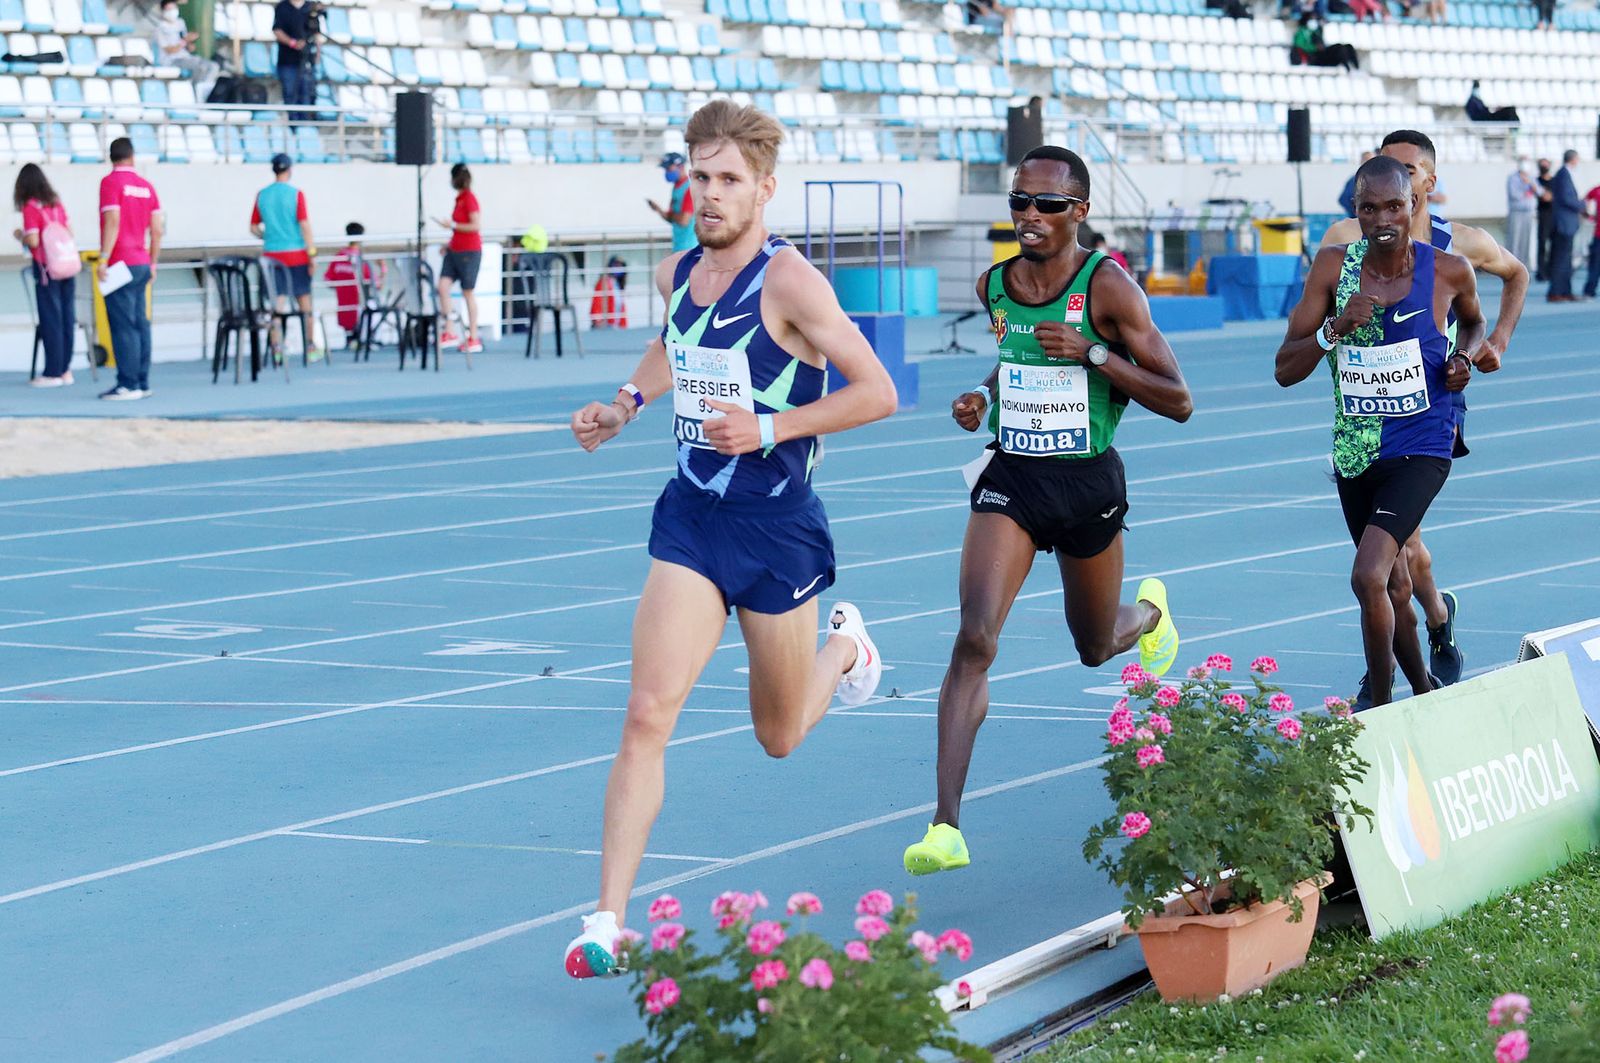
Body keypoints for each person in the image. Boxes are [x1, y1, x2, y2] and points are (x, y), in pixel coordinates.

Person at [561, 100, 898, 979]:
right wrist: (624, 407)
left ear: (764, 189)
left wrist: (771, 427)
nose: (709, 195)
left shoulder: (791, 283)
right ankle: (606, 921)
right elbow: (672, 347)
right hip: (693, 518)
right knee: (645, 713)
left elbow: (877, 392)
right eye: (699, 176)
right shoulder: (682, 271)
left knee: (779, 734)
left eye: (727, 181)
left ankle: (847, 649)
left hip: (774, 528)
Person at [900, 146, 1192, 877]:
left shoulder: (1110, 289)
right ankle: (945, 824)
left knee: (1094, 645)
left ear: (1080, 212)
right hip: (1014, 481)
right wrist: (983, 395)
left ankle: (1151, 615)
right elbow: (1018, 359)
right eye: (1020, 202)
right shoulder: (995, 285)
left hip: (1089, 486)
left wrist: (1093, 354)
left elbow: (1178, 399)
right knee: (974, 636)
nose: (1030, 216)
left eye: (1048, 205)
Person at [1319, 129, 1527, 702]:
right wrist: (1333, 328)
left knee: (1383, 557)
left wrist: (1490, 345)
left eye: (1407, 174)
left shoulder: (1462, 248)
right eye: (1379, 181)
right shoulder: (1341, 246)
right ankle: (1432, 629)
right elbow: (1302, 338)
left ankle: (1380, 677)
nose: (1395, 184)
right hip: (1360, 431)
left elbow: (1513, 280)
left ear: (1426, 184)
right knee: (1399, 554)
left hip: (1434, 408)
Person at [1275, 155, 1485, 710]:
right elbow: (1285, 369)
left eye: (1395, 205)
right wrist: (1334, 328)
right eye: (1370, 208)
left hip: (1424, 441)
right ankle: (1423, 693)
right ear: (1357, 213)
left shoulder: (1447, 269)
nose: (1384, 218)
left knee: (1367, 576)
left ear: (1414, 205)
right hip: (1357, 446)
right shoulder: (1331, 269)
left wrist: (1463, 355)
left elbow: (1473, 319)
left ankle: (1381, 705)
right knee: (1391, 587)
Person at [97, 137, 163, 400]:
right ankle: (142, 381)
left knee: (123, 325)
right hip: (142, 261)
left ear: (111, 157)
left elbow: (112, 220)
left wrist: (103, 258)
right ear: (132, 156)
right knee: (140, 323)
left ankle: (128, 383)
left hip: (120, 262)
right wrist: (154, 261)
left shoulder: (110, 182)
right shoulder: (147, 186)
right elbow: (157, 230)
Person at [250, 153, 321, 361]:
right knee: (305, 304)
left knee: (276, 305)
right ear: (289, 170)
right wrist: (312, 253)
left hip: (272, 256)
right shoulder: (296, 194)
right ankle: (311, 347)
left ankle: (277, 348)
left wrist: (269, 236)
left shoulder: (262, 195)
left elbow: (253, 227)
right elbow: (304, 225)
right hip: (296, 254)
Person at [14, 163, 77, 387]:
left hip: (47, 269)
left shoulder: (31, 207)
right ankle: (66, 369)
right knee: (67, 318)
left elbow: (32, 240)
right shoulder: (55, 203)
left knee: (51, 320)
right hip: (66, 266)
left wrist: (20, 235)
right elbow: (69, 232)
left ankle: (53, 372)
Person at [433, 163, 483, 353]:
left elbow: (475, 226)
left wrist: (452, 225)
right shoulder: (459, 200)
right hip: (455, 249)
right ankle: (450, 330)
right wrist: (449, 243)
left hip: (469, 252)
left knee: (467, 292)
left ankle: (473, 336)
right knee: (443, 286)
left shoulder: (470, 199)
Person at [323, 221, 379, 348]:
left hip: (344, 309)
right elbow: (376, 285)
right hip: (359, 309)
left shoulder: (339, 257)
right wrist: (383, 270)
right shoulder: (361, 259)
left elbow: (328, 280)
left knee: (350, 341)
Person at [152, 0, 218, 100]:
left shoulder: (180, 23)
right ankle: (196, 94)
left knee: (213, 66)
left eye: (173, 8)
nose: (172, 12)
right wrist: (184, 41)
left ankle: (205, 93)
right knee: (201, 67)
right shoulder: (160, 29)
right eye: (168, 9)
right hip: (172, 60)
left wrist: (189, 44)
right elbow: (170, 50)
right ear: (163, 11)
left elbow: (185, 44)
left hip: (186, 57)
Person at [1546, 149, 1584, 302]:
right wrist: (1583, 205)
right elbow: (1567, 199)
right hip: (1564, 223)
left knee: (1566, 259)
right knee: (1561, 259)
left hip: (1566, 223)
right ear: (1573, 159)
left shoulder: (1563, 174)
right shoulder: (1564, 174)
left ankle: (1565, 291)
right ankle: (1556, 292)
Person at [272, 0, 316, 124]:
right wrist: (293, 43)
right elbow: (277, 30)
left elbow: (316, 33)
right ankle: (293, 126)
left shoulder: (310, 7)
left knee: (307, 94)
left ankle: (305, 125)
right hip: (287, 61)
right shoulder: (282, 7)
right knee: (290, 94)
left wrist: (317, 53)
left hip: (307, 60)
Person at [647, 152, 695, 254]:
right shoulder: (676, 188)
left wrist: (673, 216)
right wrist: (658, 210)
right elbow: (671, 218)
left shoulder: (689, 189)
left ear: (680, 167)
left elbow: (684, 220)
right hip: (678, 246)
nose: (666, 172)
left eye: (668, 168)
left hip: (689, 248)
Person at [1291, 16, 1360, 70]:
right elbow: (1299, 45)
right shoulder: (1301, 32)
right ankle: (1348, 68)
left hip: (1321, 53)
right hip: (1313, 57)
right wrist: (1314, 47)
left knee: (1348, 46)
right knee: (1338, 48)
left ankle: (1356, 67)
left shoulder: (1316, 31)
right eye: (1312, 19)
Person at [1505, 158, 1539, 269]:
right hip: (1516, 212)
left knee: (1526, 240)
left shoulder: (1531, 177)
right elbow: (1514, 195)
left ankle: (1524, 266)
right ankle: (1511, 265)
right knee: (1514, 239)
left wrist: (1530, 184)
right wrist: (1526, 191)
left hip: (1528, 213)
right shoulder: (1512, 178)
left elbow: (1540, 192)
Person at [1339, 150, 1377, 218]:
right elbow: (1342, 199)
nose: (1369, 163)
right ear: (1361, 162)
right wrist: (1355, 213)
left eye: (1371, 160)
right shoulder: (1354, 180)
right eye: (1366, 160)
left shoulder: (1379, 180)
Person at [1535, 158, 1555, 280]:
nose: (1544, 167)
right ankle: (1541, 272)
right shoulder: (1536, 181)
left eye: (1546, 165)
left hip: (1553, 215)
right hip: (1542, 215)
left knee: (1553, 245)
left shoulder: (1554, 181)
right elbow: (1544, 197)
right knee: (1542, 244)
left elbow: (1549, 197)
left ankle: (1551, 271)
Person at [1582, 178, 1600, 299]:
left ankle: (1589, 290)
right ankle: (1589, 290)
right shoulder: (1597, 190)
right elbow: (1585, 199)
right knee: (1595, 264)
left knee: (1595, 264)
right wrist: (1589, 214)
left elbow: (1585, 199)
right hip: (1598, 234)